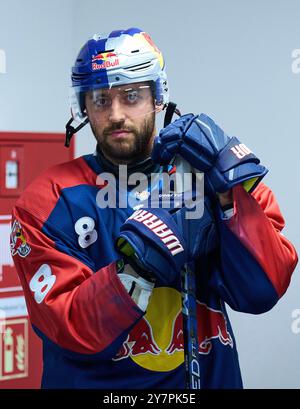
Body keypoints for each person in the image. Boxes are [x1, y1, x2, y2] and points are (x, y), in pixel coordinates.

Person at [10, 27, 298, 389]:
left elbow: (262, 291)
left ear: (157, 97)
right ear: (83, 107)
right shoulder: (47, 199)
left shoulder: (207, 174)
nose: (115, 114)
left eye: (131, 95)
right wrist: (137, 266)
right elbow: (68, 327)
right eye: (100, 99)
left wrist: (228, 196)